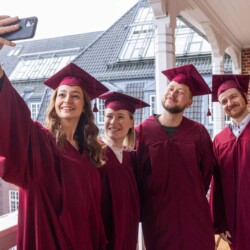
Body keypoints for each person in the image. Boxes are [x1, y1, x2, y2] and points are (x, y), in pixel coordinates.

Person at [0, 20, 110, 249]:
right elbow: (13, 122)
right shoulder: (39, 143)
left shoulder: (90, 154)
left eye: (75, 96)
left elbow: (94, 216)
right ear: (54, 102)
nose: (67, 100)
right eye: (61, 95)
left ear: (85, 107)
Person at [134, 64, 215, 250]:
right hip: (157, 217)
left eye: (180, 92)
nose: (172, 93)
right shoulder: (142, 132)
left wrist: (190, 195)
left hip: (194, 214)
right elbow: (138, 176)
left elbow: (206, 172)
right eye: (171, 88)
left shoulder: (199, 132)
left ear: (189, 102)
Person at [97, 91, 149, 250]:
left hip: (128, 234)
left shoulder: (130, 157)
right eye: (109, 116)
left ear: (131, 122)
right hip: (102, 235)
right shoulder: (94, 153)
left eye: (120, 117)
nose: (113, 122)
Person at [209, 74, 250, 250]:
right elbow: (216, 183)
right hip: (233, 219)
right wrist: (220, 222)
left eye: (233, 97)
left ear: (244, 96)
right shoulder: (219, 140)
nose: (229, 103)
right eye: (223, 101)